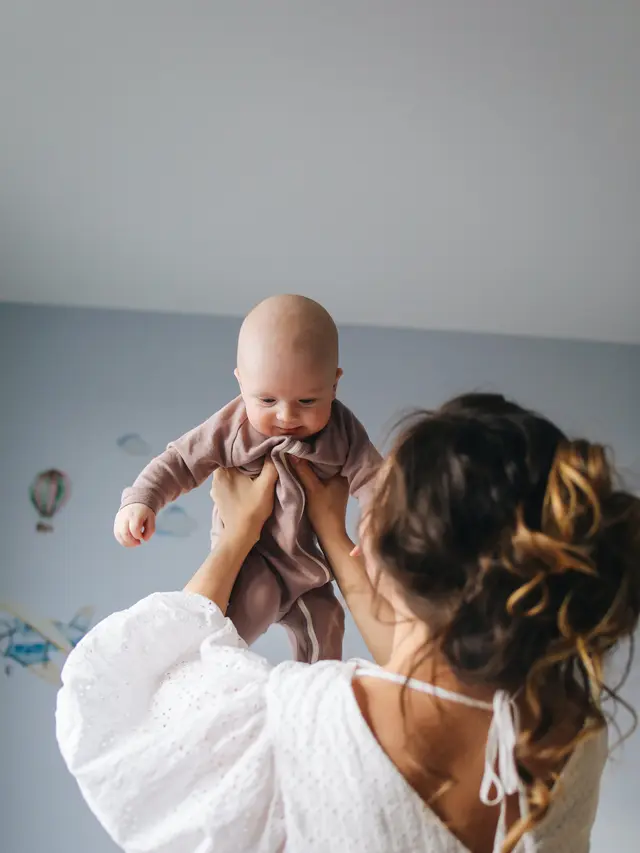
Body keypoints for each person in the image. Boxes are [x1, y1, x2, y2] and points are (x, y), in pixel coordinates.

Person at [57, 393, 640, 853]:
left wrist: (237, 535)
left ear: (385, 557)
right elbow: (427, 676)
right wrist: (335, 536)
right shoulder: (566, 741)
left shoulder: (303, 720)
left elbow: (145, 683)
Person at [113, 294, 381, 662]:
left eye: (307, 401)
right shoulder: (233, 427)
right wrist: (142, 499)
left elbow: (374, 478)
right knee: (224, 633)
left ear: (334, 384)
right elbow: (180, 461)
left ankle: (312, 699)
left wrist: (378, 523)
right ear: (241, 383)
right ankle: (208, 683)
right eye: (267, 400)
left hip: (309, 569)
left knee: (327, 625)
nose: (287, 415)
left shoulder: (343, 431)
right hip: (255, 562)